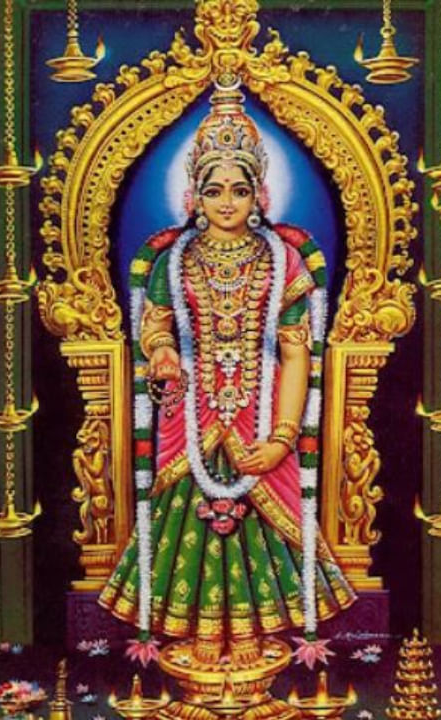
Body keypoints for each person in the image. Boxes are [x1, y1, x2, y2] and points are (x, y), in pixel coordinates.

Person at [101, 80, 353, 668]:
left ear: (259, 194)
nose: (226, 202)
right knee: (186, 521)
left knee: (259, 525)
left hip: (262, 413)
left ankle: (253, 637)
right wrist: (162, 355)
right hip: (188, 416)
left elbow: (296, 352)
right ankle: (192, 638)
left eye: (239, 190)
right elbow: (156, 327)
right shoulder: (173, 259)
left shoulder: (283, 260)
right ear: (194, 194)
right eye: (213, 190)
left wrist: (282, 438)